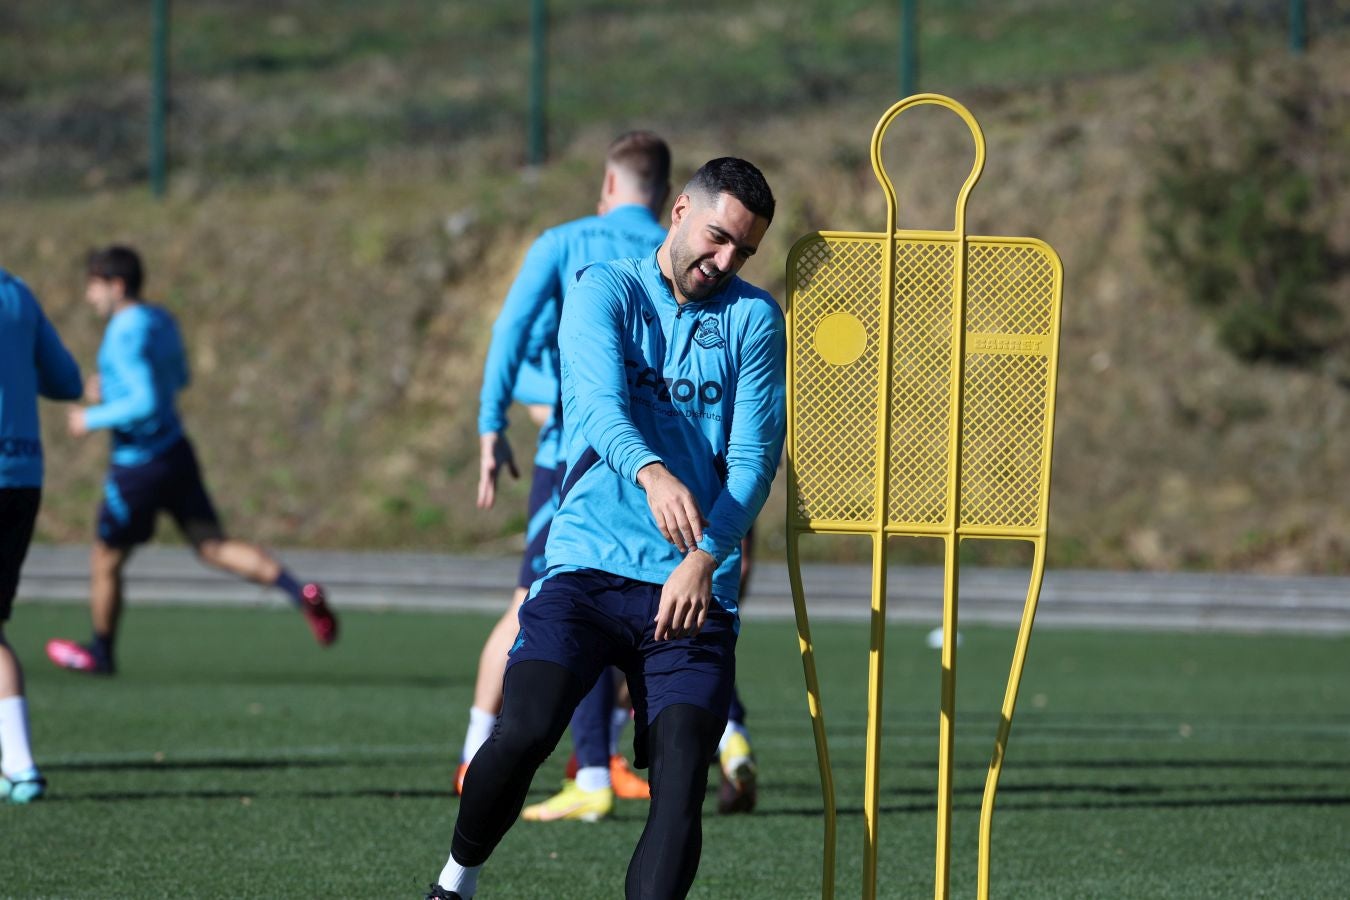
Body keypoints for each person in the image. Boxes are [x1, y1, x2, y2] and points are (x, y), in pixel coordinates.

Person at [427, 157, 784, 900]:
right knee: (522, 731)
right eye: (717, 238)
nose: (724, 262)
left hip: (691, 586)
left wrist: (708, 555)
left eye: (743, 253)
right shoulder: (605, 289)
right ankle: (455, 883)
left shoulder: (754, 319)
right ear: (680, 209)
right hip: (588, 565)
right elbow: (595, 407)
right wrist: (653, 473)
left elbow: (754, 459)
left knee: (682, 782)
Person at [456, 132, 672, 808]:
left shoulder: (561, 243)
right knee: (639, 605)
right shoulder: (675, 254)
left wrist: (491, 424)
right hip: (658, 465)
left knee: (542, 604)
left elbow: (509, 334)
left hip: (573, 463)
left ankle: (497, 756)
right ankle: (609, 760)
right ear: (667, 196)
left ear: (608, 185)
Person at [45, 246, 336, 677]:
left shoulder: (123, 331)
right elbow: (177, 379)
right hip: (176, 452)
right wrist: (115, 391)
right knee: (214, 545)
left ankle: (102, 652)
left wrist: (93, 415)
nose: (90, 298)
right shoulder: (162, 320)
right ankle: (300, 591)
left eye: (94, 287)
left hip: (137, 467)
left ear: (116, 285)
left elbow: (143, 401)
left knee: (105, 558)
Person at [0, 268, 83, 803]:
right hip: (21, 478)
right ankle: (17, 764)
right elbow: (68, 381)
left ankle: (21, 764)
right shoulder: (16, 293)